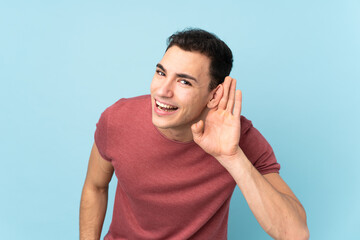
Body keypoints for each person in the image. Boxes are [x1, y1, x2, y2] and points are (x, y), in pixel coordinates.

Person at [80, 28, 309, 240]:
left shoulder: (240, 137)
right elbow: (95, 186)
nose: (162, 91)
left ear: (214, 95)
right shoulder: (117, 119)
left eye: (184, 82)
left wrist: (232, 157)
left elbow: (295, 233)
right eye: (161, 73)